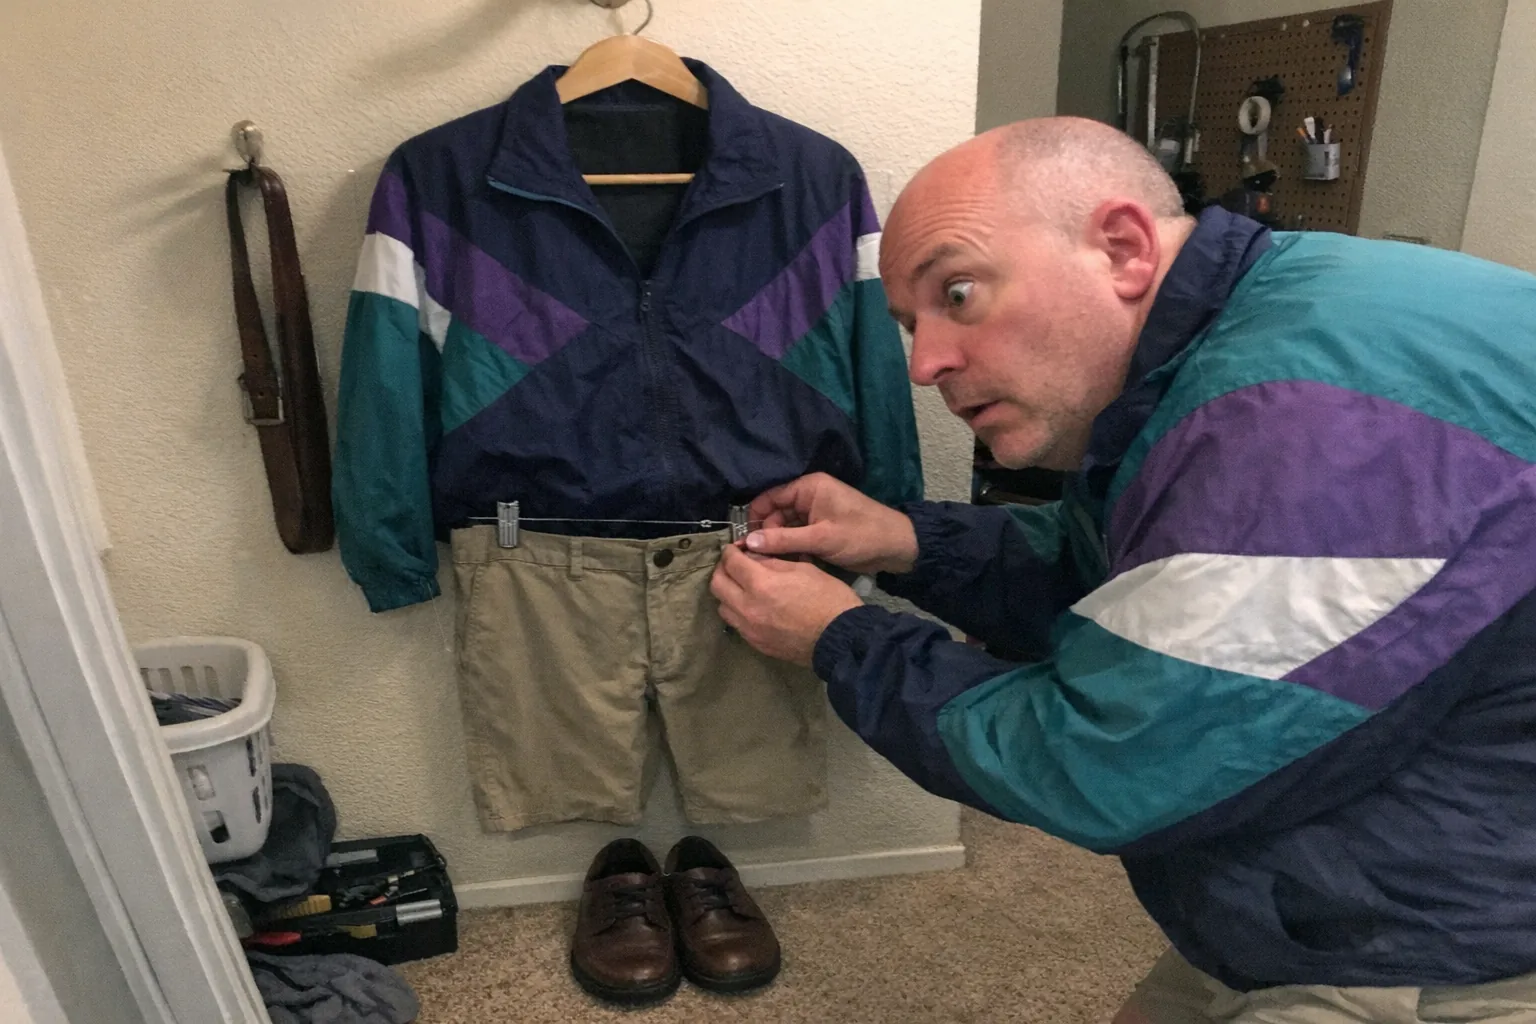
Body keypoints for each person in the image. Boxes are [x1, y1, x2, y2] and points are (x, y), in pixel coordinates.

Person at [710, 117, 1536, 1023]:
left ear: (1123, 248)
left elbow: (1110, 759)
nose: (924, 363)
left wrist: (842, 637)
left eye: (959, 292)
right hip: (1357, 877)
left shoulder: (1305, 427)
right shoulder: (1261, 327)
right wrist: (907, 541)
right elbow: (1131, 581)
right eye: (911, 323)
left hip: (1445, 952)